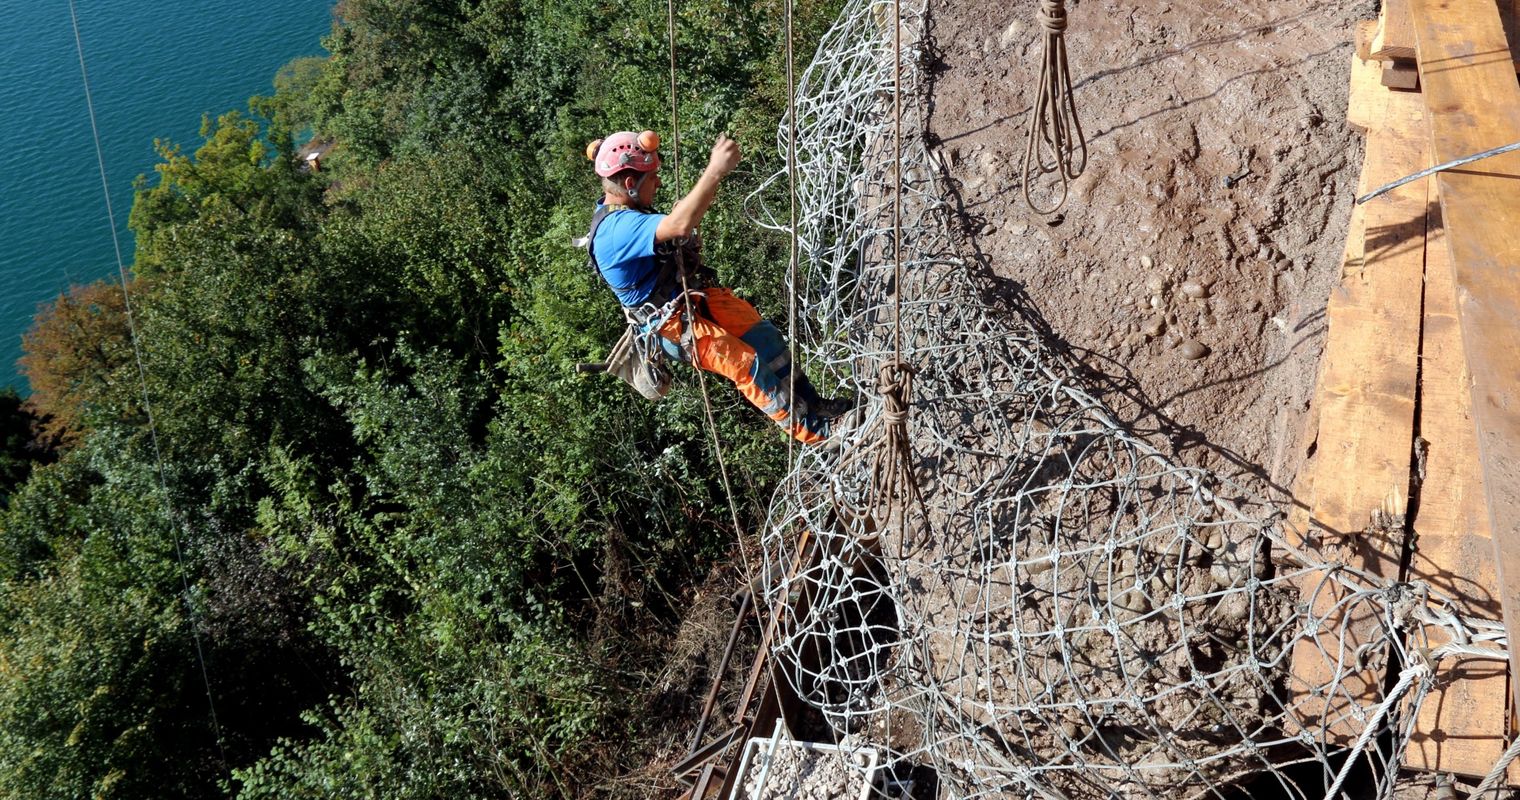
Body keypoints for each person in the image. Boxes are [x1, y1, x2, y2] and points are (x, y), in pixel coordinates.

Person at [582, 129, 850, 444]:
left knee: (765, 339)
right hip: (672, 323)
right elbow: (679, 223)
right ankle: (819, 434)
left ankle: (815, 405)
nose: (658, 182)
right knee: (744, 364)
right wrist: (715, 170)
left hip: (692, 302)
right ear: (630, 184)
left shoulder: (627, 213)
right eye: (652, 177)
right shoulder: (616, 230)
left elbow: (677, 231)